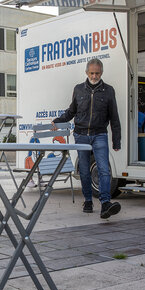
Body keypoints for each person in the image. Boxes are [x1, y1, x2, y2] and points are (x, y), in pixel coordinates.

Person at [52, 58, 121, 218]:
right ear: (86, 72)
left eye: (97, 73)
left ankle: (105, 204)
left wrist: (116, 140)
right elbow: (71, 111)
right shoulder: (78, 89)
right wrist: (58, 121)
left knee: (104, 169)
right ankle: (88, 201)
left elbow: (114, 117)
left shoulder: (109, 91)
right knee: (84, 170)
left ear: (101, 73)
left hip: (99, 135)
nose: (95, 76)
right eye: (92, 73)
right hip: (81, 134)